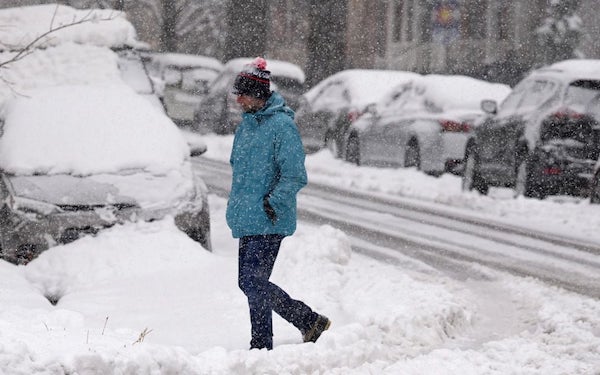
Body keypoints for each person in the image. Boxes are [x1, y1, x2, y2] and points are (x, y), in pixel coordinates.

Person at [226, 57, 330, 350]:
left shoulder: (282, 127)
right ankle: (269, 338)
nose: (238, 99)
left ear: (257, 94)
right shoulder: (245, 127)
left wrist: (272, 203)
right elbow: (238, 168)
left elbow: (295, 174)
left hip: (269, 219)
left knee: (252, 282)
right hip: (247, 218)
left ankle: (302, 322)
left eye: (242, 93)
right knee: (251, 283)